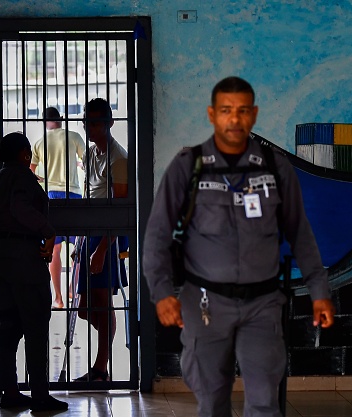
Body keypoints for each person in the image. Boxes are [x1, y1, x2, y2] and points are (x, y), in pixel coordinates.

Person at [142, 76, 335, 417]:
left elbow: (299, 232)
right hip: (204, 304)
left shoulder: (276, 168)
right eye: (226, 110)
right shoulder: (188, 166)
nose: (235, 119)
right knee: (212, 402)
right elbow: (156, 235)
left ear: (254, 114)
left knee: (264, 402)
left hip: (262, 305)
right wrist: (161, 294)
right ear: (212, 114)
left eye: (243, 110)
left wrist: (319, 289)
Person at [0, 132, 68, 412]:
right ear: (25, 155)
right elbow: (20, 207)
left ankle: (10, 392)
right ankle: (40, 395)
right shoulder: (22, 177)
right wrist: (48, 231)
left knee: (9, 325)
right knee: (35, 326)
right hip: (24, 261)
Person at [74, 98, 129, 381]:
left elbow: (119, 210)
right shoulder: (91, 153)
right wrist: (81, 241)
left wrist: (103, 249)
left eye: (95, 122)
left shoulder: (119, 159)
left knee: (102, 302)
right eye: (86, 122)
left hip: (107, 237)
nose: (89, 127)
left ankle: (100, 368)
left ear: (110, 123)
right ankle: (103, 358)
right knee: (84, 308)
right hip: (90, 233)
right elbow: (88, 196)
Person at [30, 106, 85, 309]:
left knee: (54, 247)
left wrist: (41, 179)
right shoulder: (74, 136)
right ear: (61, 119)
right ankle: (73, 288)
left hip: (51, 195)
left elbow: (30, 173)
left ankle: (58, 298)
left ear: (45, 122)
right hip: (74, 194)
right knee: (78, 247)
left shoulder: (39, 143)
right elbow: (88, 161)